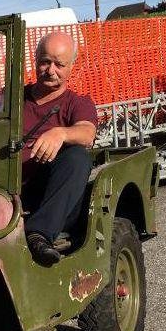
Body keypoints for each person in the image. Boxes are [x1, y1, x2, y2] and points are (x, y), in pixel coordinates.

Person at [21, 32, 99, 266]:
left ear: (71, 66)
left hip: (49, 196)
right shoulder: (14, 100)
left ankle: (38, 234)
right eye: (45, 61)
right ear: (35, 60)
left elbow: (87, 132)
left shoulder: (76, 103)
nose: (50, 70)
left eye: (59, 64)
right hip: (5, 189)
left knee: (78, 157)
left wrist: (61, 133)